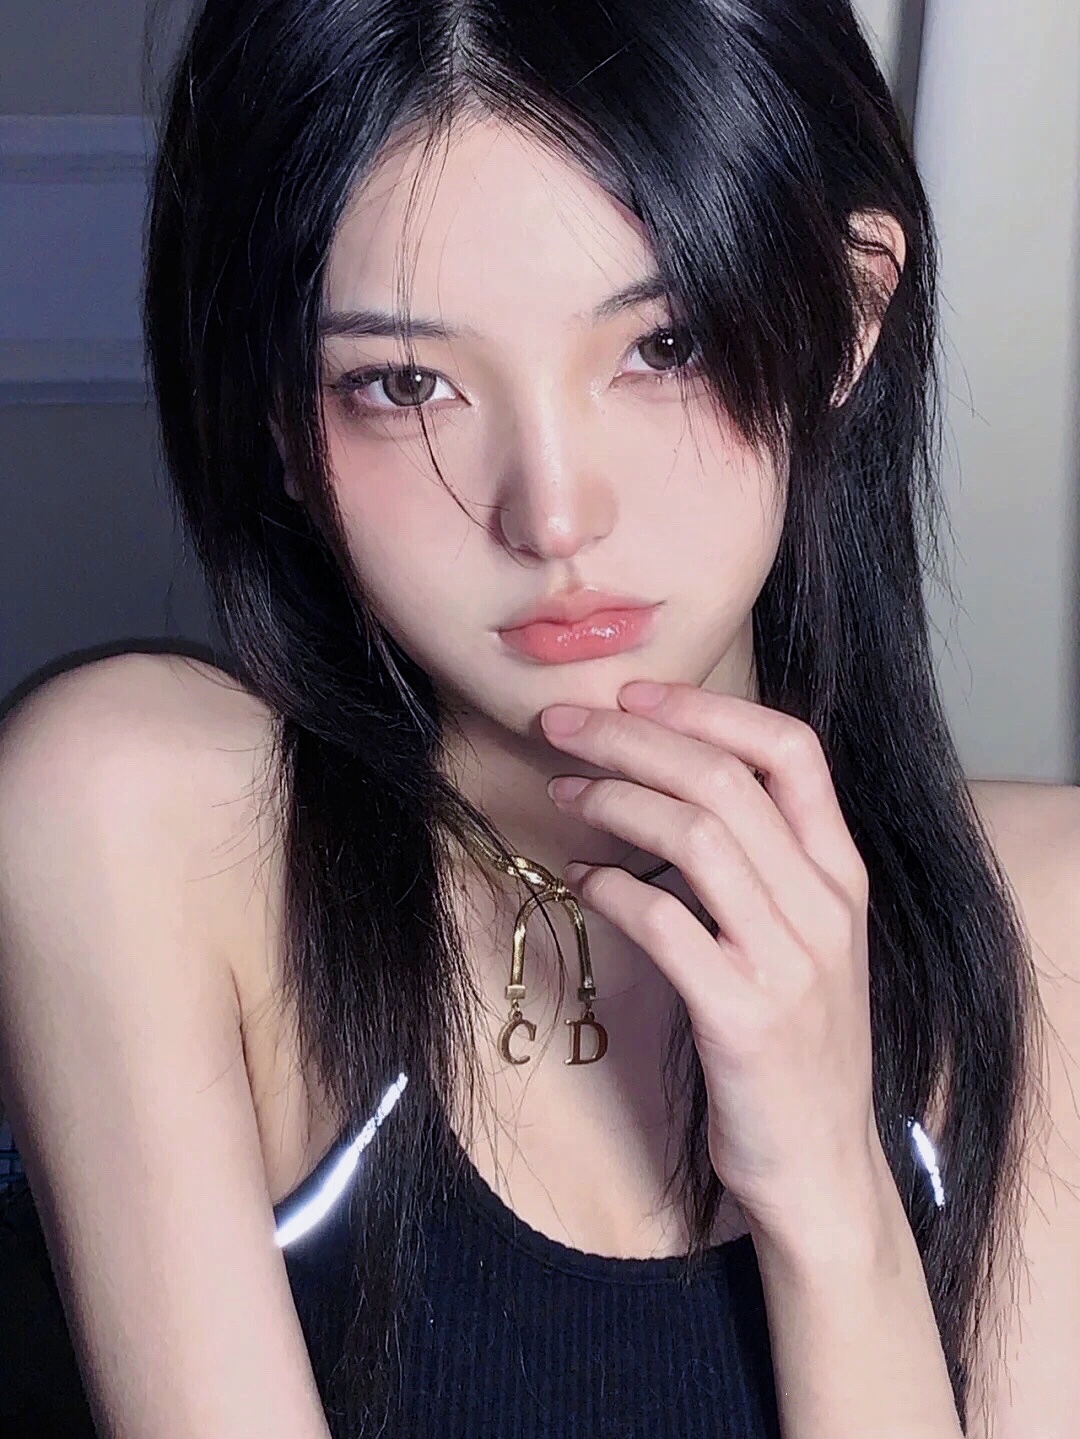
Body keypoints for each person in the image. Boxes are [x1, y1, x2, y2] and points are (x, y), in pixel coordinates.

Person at [0, 0, 1078, 1435]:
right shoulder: (143, 824)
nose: (553, 512)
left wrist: (832, 1196)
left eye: (665, 345)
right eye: (404, 384)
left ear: (848, 315)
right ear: (274, 415)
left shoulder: (1045, 922)